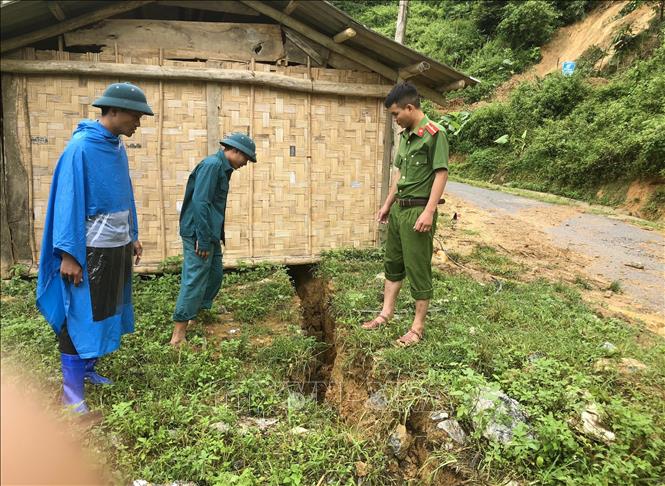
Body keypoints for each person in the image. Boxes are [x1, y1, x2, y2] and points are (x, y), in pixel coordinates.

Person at [36, 82, 153, 413]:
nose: (138, 122)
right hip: (87, 250)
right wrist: (69, 255)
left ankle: (87, 370)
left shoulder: (116, 147)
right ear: (113, 111)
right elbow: (68, 202)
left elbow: (123, 193)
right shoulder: (81, 148)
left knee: (104, 309)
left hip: (114, 247)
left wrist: (131, 233)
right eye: (135, 115)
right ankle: (71, 396)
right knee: (79, 313)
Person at [362, 82, 448, 347]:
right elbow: (399, 175)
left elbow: (441, 173)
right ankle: (386, 313)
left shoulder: (435, 134)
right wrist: (388, 204)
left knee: (418, 267)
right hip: (400, 210)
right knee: (393, 263)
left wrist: (429, 212)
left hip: (418, 212)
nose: (395, 120)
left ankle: (417, 327)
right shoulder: (406, 137)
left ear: (410, 108)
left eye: (396, 114)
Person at [169, 133, 257, 346]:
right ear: (234, 151)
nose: (246, 163)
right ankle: (178, 335)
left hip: (210, 231)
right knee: (196, 277)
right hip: (199, 232)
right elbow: (201, 203)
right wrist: (203, 237)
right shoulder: (212, 166)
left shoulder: (223, 168)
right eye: (246, 158)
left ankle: (195, 314)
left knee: (215, 274)